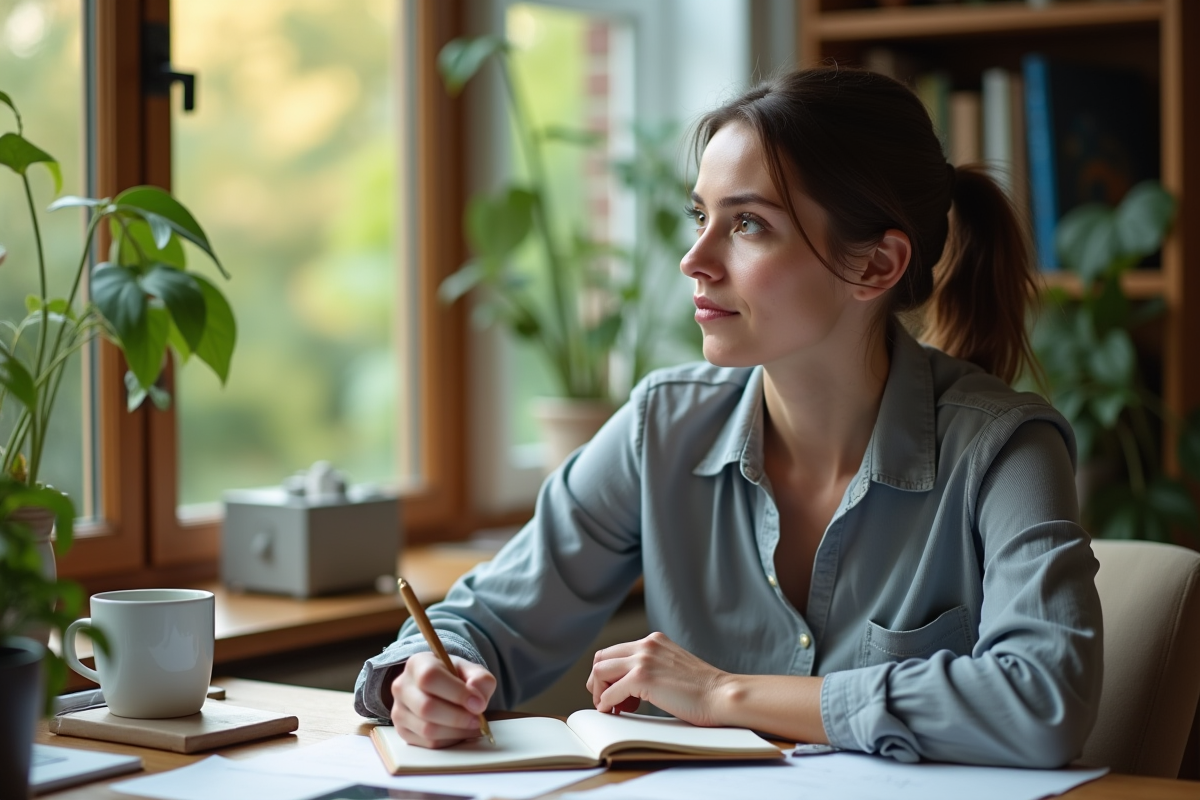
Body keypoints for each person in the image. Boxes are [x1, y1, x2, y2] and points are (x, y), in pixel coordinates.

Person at [354, 67, 1102, 767]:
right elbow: (486, 623)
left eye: (747, 225)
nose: (694, 259)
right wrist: (419, 679)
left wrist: (723, 695)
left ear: (875, 265)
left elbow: (1044, 698)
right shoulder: (660, 428)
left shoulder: (1006, 450)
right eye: (701, 216)